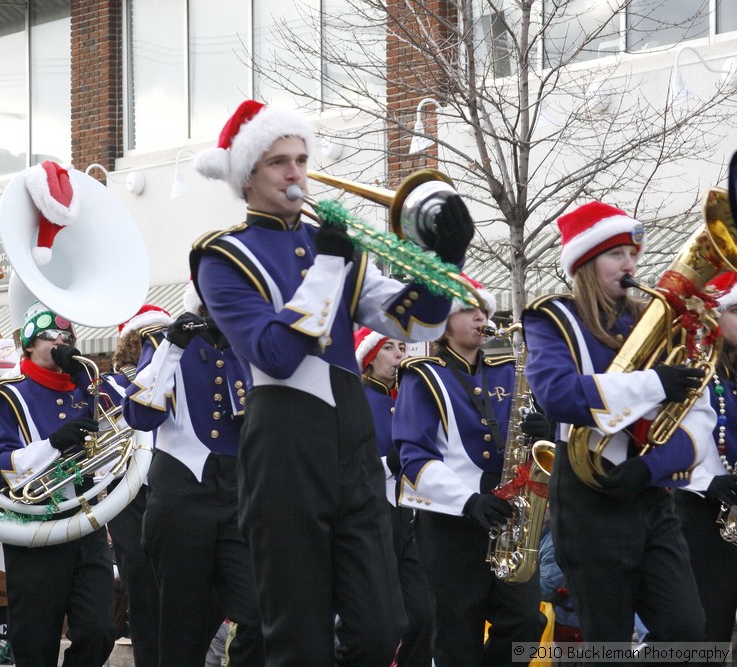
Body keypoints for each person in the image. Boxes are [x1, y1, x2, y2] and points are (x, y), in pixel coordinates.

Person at [190, 99, 474, 665]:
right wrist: (325, 267)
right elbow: (273, 352)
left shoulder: (332, 242)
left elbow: (409, 321)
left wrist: (442, 261)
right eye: (278, 163)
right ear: (246, 177)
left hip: (353, 445)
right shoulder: (221, 257)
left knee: (381, 627)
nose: (297, 173)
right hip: (283, 446)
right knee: (299, 637)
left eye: (300, 158)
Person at [522, 201, 711, 650]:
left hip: (649, 493)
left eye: (633, 253)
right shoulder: (552, 318)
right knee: (607, 644)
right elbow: (558, 394)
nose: (629, 264)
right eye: (615, 255)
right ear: (586, 263)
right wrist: (651, 383)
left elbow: (698, 414)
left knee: (687, 630)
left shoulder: (653, 317)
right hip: (590, 500)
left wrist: (651, 467)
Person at [396, 282, 544, 666]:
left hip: (511, 517)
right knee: (457, 638)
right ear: (443, 322)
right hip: (451, 526)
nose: (482, 317)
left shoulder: (509, 371)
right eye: (468, 310)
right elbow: (414, 458)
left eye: (484, 310)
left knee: (527, 621)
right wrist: (468, 501)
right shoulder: (422, 375)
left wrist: (544, 430)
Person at [123, 287, 264, 666]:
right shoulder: (164, 341)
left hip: (239, 495)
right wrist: (172, 347)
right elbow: (140, 416)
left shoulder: (249, 344)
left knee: (259, 616)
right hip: (182, 493)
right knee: (182, 630)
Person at [0, 301, 115, 667]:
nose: (61, 341)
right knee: (35, 645)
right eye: (50, 336)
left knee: (100, 631)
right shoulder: (8, 393)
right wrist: (54, 444)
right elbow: (0, 467)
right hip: (34, 530)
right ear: (28, 343)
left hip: (85, 522)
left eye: (67, 335)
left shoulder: (86, 390)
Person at [353, 327, 432, 667]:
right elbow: (347, 465)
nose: (400, 354)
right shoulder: (355, 401)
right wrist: (389, 463)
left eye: (402, 347)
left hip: (409, 514)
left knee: (423, 616)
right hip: (372, 515)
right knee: (383, 624)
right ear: (369, 359)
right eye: (389, 348)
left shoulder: (407, 400)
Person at [104, 304, 172, 667]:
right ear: (133, 342)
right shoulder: (109, 386)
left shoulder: (177, 378)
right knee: (143, 592)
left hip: (170, 490)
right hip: (127, 497)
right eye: (153, 336)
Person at [677, 270, 737, 656]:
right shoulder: (693, 370)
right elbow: (665, 442)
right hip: (707, 516)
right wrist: (704, 481)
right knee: (708, 632)